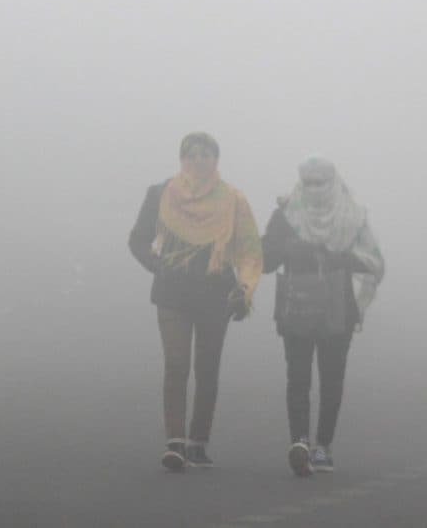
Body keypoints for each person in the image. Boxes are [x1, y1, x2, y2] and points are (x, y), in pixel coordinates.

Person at [129, 132, 263, 471]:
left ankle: (198, 442)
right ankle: (175, 441)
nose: (199, 160)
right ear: (182, 159)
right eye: (192, 154)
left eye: (206, 154)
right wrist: (156, 264)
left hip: (215, 293)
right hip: (172, 291)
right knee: (176, 364)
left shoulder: (233, 199)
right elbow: (138, 240)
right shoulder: (161, 194)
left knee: (207, 368)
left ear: (216, 159)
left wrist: (245, 289)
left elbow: (249, 249)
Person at [261, 156, 385, 476]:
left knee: (331, 379)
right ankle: (300, 442)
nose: (315, 189)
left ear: (333, 182)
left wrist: (335, 257)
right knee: (298, 377)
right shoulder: (286, 214)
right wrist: (287, 248)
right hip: (296, 306)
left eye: (321, 182)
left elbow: (373, 262)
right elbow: (266, 260)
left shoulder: (352, 216)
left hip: (338, 308)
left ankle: (323, 446)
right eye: (309, 182)